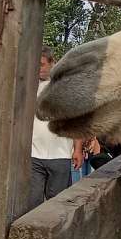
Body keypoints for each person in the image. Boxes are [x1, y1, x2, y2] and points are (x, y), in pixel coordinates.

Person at [30, 47, 83, 210]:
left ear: (53, 63)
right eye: (35, 65)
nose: (39, 68)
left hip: (60, 154)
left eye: (42, 64)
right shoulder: (29, 87)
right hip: (33, 154)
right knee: (32, 202)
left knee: (57, 203)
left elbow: (76, 121)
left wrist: (77, 149)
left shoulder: (67, 87)